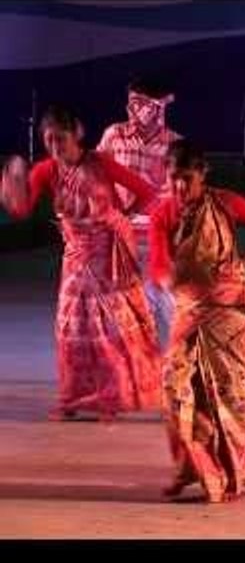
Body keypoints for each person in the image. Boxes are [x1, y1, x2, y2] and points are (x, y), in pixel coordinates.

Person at [0, 106, 161, 421]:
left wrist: (121, 216)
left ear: (78, 134)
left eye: (61, 139)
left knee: (106, 332)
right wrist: (11, 186)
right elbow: (22, 211)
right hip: (75, 258)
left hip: (108, 257)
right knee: (71, 331)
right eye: (49, 141)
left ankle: (108, 400)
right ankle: (71, 399)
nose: (55, 147)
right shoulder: (46, 171)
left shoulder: (101, 163)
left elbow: (146, 192)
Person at [149, 139, 245, 503]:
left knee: (229, 396)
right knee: (174, 389)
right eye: (173, 177)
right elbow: (158, 263)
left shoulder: (226, 203)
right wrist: (170, 280)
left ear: (203, 174)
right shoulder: (164, 213)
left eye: (187, 178)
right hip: (190, 310)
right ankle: (190, 469)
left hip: (231, 312)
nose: (180, 186)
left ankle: (231, 475)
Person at [97, 78, 181, 346]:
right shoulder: (114, 135)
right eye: (136, 103)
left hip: (160, 238)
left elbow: (183, 196)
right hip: (120, 237)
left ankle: (170, 374)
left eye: (151, 105)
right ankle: (126, 375)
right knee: (120, 309)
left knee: (166, 308)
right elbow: (97, 175)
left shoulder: (175, 143)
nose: (142, 111)